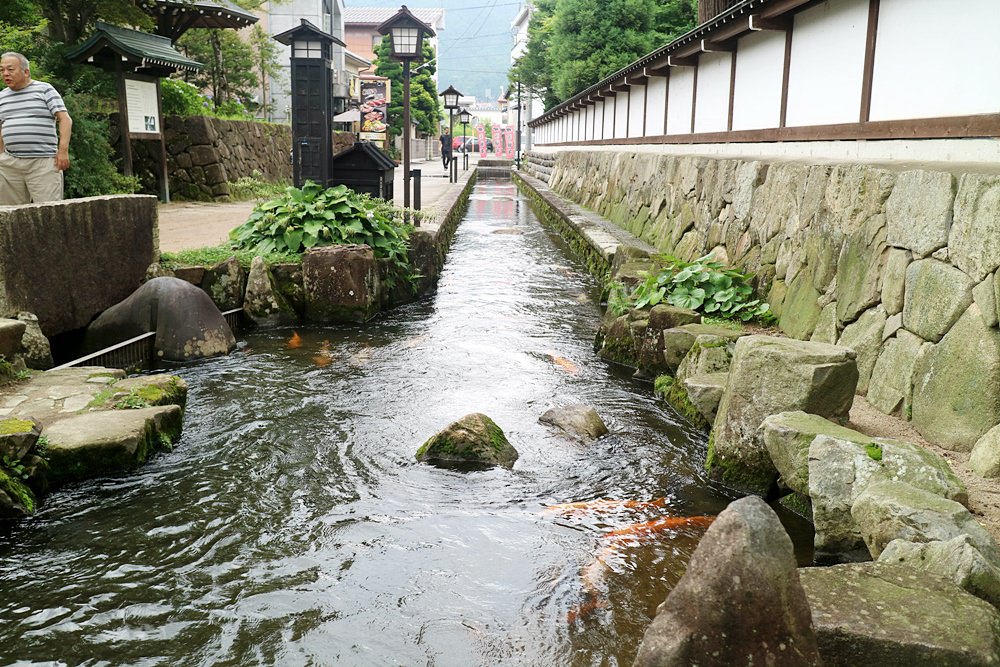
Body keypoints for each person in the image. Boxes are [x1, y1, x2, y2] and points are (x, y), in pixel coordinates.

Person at [0, 52, 72, 205]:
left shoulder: (45, 89)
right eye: (2, 70)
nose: (5, 73)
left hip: (43, 162)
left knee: (49, 212)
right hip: (10, 164)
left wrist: (63, 151)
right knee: (9, 214)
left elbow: (65, 119)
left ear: (26, 72)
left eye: (10, 69)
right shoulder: (2, 96)